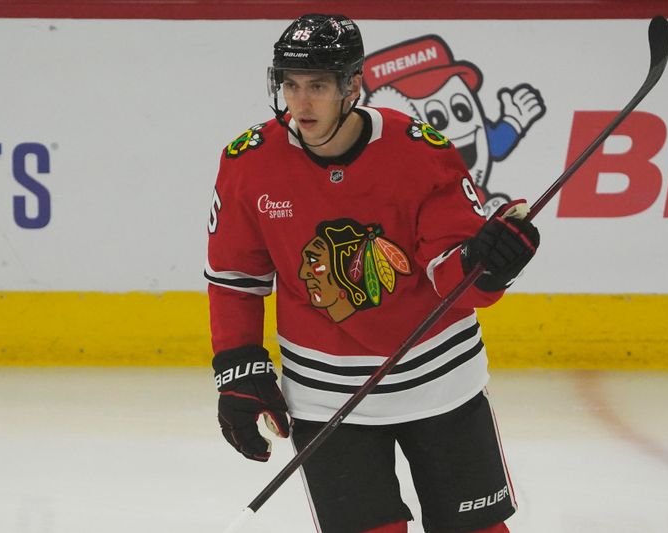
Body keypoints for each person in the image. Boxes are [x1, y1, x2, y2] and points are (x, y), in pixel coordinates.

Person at [205, 13, 540, 533]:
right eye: (290, 85)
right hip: (324, 393)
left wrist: (488, 266)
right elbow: (235, 279)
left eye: (317, 85)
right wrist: (239, 367)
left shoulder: (420, 151)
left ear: (352, 85)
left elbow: (450, 276)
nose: (300, 103)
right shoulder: (249, 162)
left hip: (440, 382)